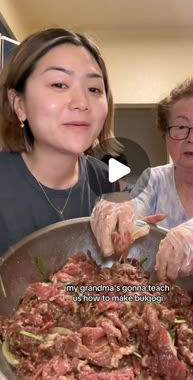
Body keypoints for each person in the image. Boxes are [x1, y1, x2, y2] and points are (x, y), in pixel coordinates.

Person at [91, 77, 193, 279]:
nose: (191, 138)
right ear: (166, 137)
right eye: (180, 127)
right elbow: (134, 210)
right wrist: (119, 216)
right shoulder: (153, 179)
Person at [0, 27, 120, 255]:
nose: (82, 102)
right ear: (19, 104)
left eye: (94, 88)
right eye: (59, 85)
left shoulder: (106, 181)